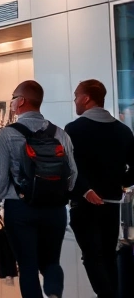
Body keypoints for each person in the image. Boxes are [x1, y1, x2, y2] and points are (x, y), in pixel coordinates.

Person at [0, 80, 78, 298]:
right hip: (55, 210)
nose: (10, 102)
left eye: (13, 97)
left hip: (20, 209)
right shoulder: (59, 133)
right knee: (51, 261)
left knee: (27, 265)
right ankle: (55, 294)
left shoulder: (7, 134)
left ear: (21, 101)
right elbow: (73, 174)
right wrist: (58, 194)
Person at [65, 79, 134, 298]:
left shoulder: (74, 129)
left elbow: (71, 167)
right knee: (107, 255)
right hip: (112, 204)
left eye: (76, 95)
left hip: (84, 203)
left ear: (86, 99)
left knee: (92, 257)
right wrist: (120, 182)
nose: (74, 100)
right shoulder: (123, 131)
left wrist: (85, 189)